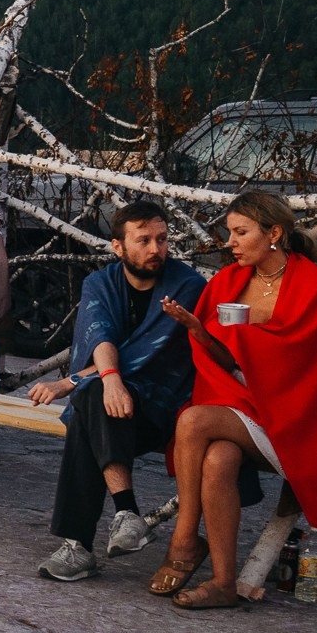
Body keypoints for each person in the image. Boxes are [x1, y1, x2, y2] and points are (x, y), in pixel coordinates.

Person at [147, 191, 317, 610]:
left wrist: (244, 337)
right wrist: (198, 330)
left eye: (240, 232)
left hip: (297, 422)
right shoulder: (229, 281)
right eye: (229, 232)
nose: (229, 242)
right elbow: (225, 359)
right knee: (218, 460)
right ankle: (225, 583)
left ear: (274, 234)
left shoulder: (314, 287)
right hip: (241, 409)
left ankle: (184, 538)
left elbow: (301, 368)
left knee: (193, 422)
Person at [26, 201, 213, 583]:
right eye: (143, 240)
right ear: (118, 246)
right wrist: (109, 380)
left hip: (164, 408)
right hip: (112, 407)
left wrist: (69, 382)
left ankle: (78, 547)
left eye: (162, 239)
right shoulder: (101, 283)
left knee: (87, 409)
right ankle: (127, 516)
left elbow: (163, 355)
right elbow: (101, 338)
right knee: (92, 405)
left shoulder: (187, 287)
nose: (155, 249)